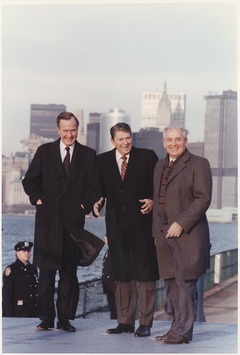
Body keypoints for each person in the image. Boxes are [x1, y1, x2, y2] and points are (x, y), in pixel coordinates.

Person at [22, 111, 100, 332]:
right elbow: (29, 181)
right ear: (58, 130)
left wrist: (84, 206)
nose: (69, 134)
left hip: (73, 225)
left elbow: (94, 187)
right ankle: (46, 319)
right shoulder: (44, 152)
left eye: (73, 130)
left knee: (68, 273)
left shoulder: (88, 155)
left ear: (78, 128)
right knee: (46, 275)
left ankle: (64, 320)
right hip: (47, 223)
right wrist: (37, 199)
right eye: (65, 130)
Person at [94, 122, 159, 337]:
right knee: (122, 276)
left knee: (145, 275)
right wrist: (96, 202)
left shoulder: (148, 157)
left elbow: (158, 188)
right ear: (112, 141)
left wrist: (152, 200)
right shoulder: (102, 161)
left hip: (142, 225)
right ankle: (125, 322)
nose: (125, 142)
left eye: (128, 138)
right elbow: (99, 190)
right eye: (121, 139)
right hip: (115, 228)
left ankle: (146, 323)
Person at [152, 127, 212, 344]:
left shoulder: (199, 164)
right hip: (164, 237)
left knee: (185, 286)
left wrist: (181, 223)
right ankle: (175, 328)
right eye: (169, 140)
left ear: (186, 140)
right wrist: (156, 235)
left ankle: (183, 332)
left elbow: (203, 199)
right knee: (171, 286)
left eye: (178, 139)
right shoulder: (160, 165)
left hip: (188, 235)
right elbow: (158, 201)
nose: (173, 143)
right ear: (163, 142)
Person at [2, 241, 38, 317]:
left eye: (28, 251)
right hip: (18, 313)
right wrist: (8, 316)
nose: (27, 253)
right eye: (24, 251)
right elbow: (7, 295)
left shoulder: (33, 269)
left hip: (34, 313)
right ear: (17, 253)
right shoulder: (12, 270)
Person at [102, 236, 117, 320]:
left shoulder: (113, 251)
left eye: (106, 237)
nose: (104, 238)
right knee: (112, 307)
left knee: (114, 307)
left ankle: (115, 320)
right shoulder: (109, 250)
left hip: (112, 283)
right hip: (108, 284)